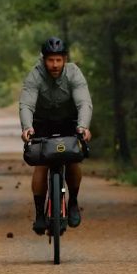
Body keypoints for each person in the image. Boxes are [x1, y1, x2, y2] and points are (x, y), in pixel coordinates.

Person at [19, 37, 93, 235]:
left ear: (65, 59)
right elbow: (26, 104)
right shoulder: (35, 75)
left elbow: (83, 103)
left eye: (58, 60)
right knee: (41, 165)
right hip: (41, 124)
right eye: (50, 60)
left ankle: (74, 202)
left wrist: (83, 127)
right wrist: (27, 128)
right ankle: (39, 214)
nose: (54, 65)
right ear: (44, 60)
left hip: (70, 122)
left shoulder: (74, 73)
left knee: (73, 161)